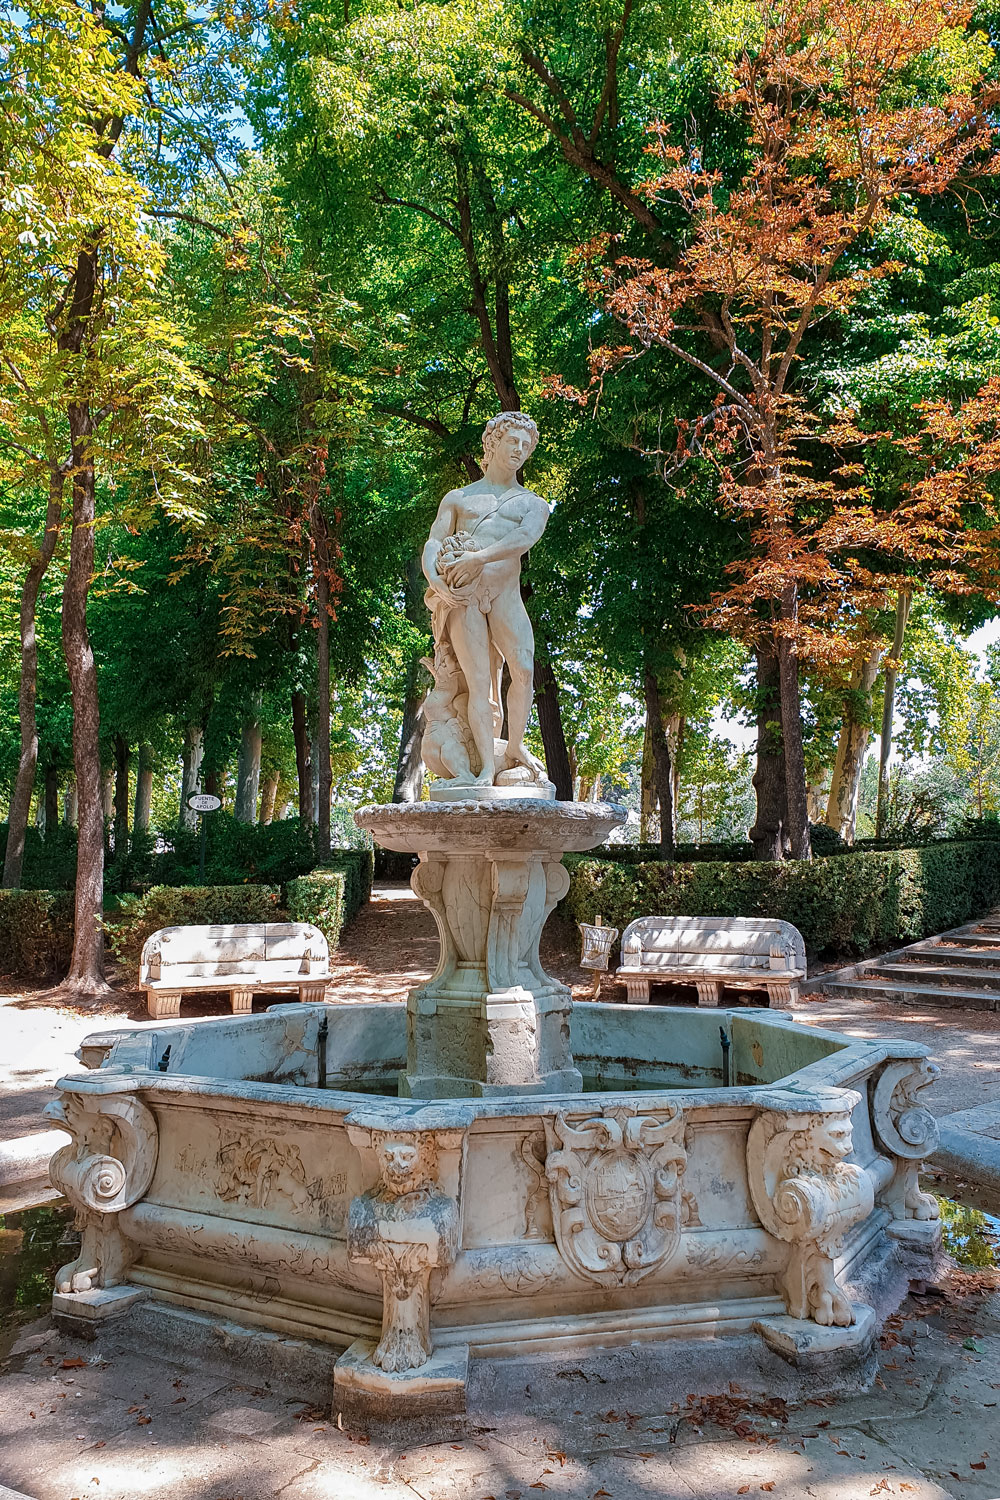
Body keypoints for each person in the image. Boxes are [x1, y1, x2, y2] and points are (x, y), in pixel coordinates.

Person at [422, 411, 549, 786]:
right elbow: (433, 541)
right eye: (513, 441)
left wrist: (477, 558)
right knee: (479, 685)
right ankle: (487, 769)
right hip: (465, 598)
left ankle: (514, 746)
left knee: (523, 668)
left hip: (505, 595)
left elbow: (524, 539)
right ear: (492, 443)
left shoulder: (532, 503)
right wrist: (435, 577)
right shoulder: (460, 498)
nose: (520, 450)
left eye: (526, 446)